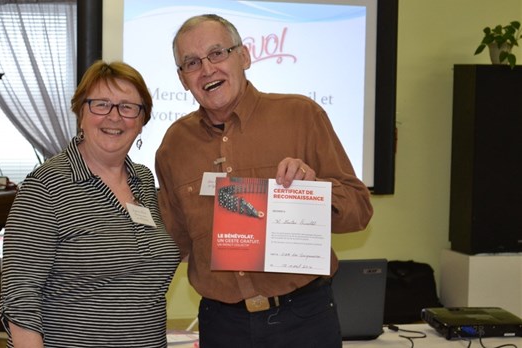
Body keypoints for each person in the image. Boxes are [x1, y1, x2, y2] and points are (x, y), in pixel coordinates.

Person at [155, 14, 373, 348]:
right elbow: (173, 244)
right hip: (221, 325)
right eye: (192, 62)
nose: (207, 69)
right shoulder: (174, 145)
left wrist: (314, 192)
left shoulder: (301, 116)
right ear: (183, 78)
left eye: (217, 53)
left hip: (304, 319)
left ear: (243, 56)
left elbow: (359, 210)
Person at [0, 60, 180, 348]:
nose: (114, 117)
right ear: (81, 112)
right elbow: (20, 297)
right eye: (101, 104)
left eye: (127, 107)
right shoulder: (45, 186)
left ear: (142, 121)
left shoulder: (143, 181)